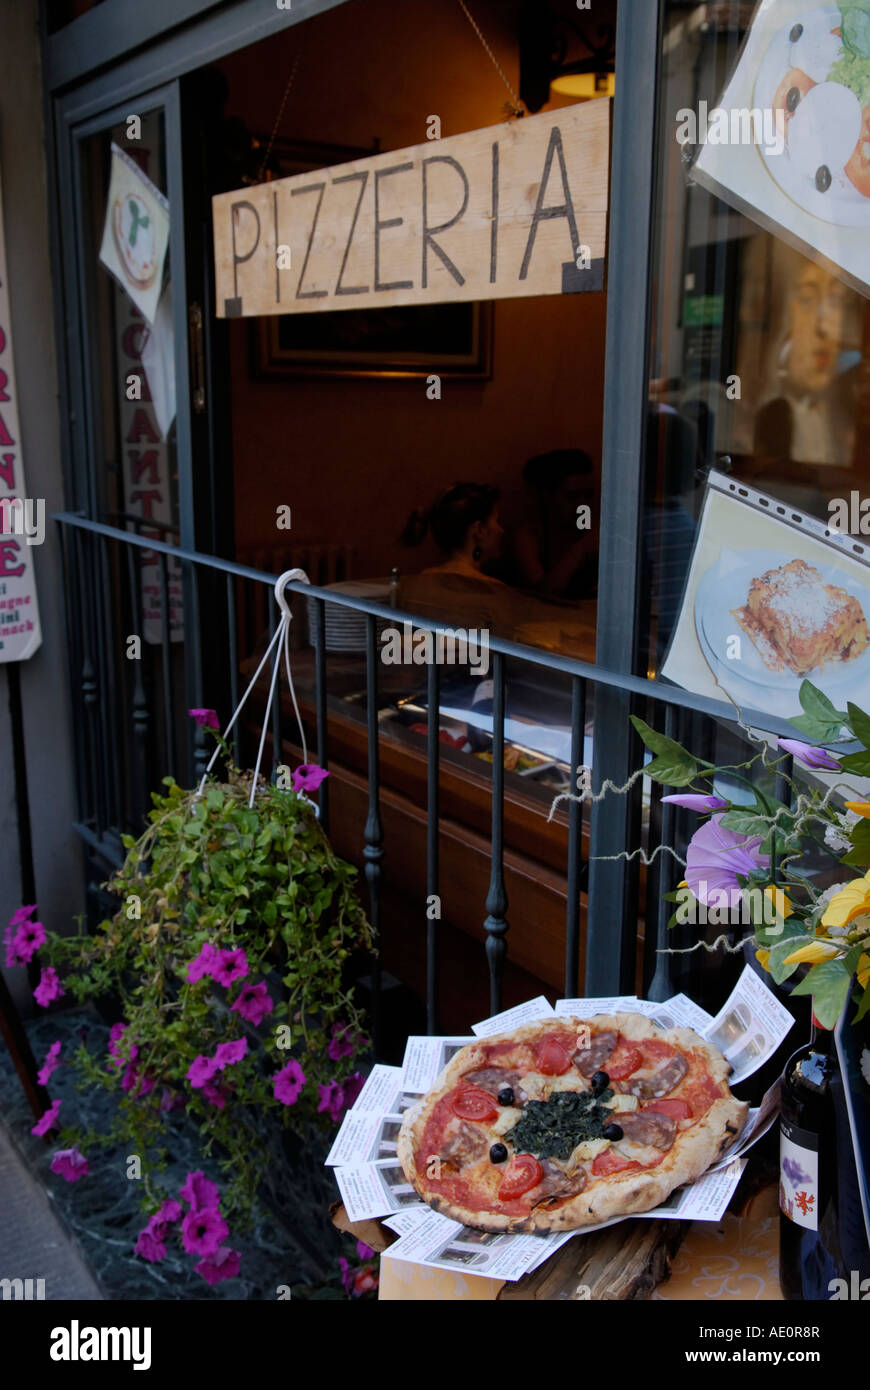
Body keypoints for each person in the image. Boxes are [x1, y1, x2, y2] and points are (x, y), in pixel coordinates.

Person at [510, 450, 599, 599]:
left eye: (588, 495)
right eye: (572, 497)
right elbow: (542, 594)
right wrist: (581, 549)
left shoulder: (592, 529)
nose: (583, 504)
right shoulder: (529, 536)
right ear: (546, 497)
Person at [400, 482, 505, 583]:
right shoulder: (495, 591)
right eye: (497, 521)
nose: (501, 530)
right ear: (480, 530)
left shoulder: (422, 580)